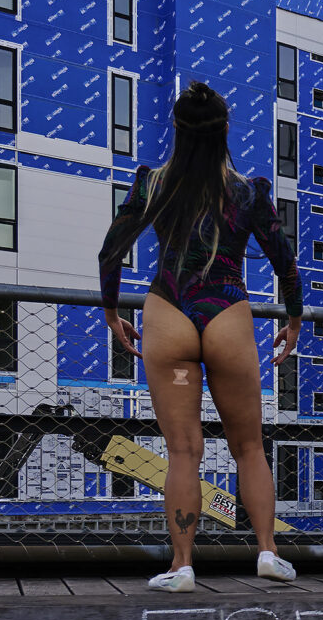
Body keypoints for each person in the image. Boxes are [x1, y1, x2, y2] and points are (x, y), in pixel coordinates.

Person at [98, 82, 302, 592]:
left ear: (177, 129)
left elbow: (110, 253)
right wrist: (293, 319)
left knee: (184, 451)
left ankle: (181, 565)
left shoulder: (152, 185)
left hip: (169, 312)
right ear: (224, 131)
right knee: (249, 446)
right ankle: (269, 554)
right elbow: (284, 261)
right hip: (227, 315)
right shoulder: (247, 191)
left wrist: (110, 313)